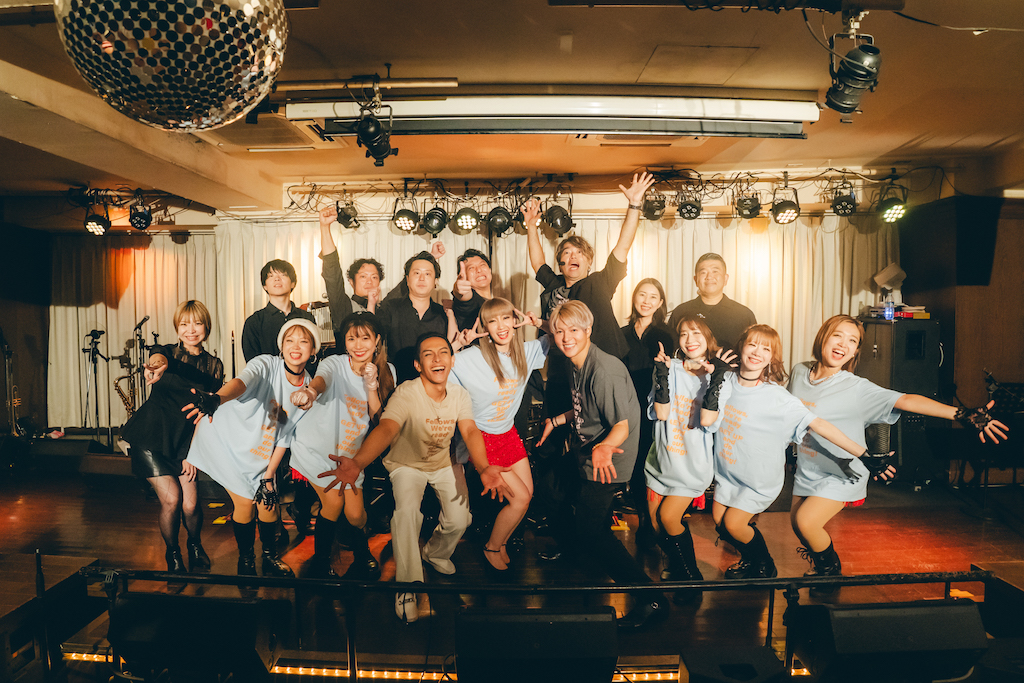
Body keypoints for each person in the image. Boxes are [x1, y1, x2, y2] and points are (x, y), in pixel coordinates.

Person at [787, 314, 1008, 587]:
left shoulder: (856, 388)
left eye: (852, 341)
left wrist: (962, 414)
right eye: (837, 335)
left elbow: (907, 400)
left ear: (855, 352)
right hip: (809, 466)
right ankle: (823, 564)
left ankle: (830, 571)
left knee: (807, 522)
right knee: (797, 525)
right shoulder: (799, 372)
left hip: (844, 471)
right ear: (823, 337)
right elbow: (788, 413)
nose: (843, 344)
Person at [318, 333, 512, 623]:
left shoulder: (459, 394)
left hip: (442, 463)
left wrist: (483, 468)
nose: (437, 359)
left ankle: (435, 553)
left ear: (452, 360)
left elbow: (470, 430)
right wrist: (358, 462)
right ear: (418, 365)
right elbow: (386, 428)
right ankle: (407, 586)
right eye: (428, 354)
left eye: (443, 352)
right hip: (406, 465)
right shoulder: (407, 393)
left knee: (460, 519)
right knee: (407, 514)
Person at [522, 172, 655, 551]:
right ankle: (569, 524)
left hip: (601, 374)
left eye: (577, 255)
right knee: (557, 447)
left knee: (612, 443)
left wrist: (634, 205)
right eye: (564, 255)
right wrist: (531, 226)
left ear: (589, 261)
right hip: (565, 376)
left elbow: (622, 247)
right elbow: (537, 263)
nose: (569, 259)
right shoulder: (554, 289)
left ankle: (625, 522)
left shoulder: (597, 283)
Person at [706, 324, 880, 580]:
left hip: (758, 479)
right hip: (728, 473)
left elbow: (818, 424)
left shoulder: (776, 396)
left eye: (766, 349)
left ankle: (765, 565)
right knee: (721, 522)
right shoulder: (725, 380)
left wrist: (863, 453)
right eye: (752, 344)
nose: (757, 352)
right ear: (740, 347)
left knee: (734, 523)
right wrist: (713, 368)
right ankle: (752, 560)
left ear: (772, 357)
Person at [535, 301, 668, 630]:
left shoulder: (604, 370)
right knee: (550, 488)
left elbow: (621, 425)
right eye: (560, 331)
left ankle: (651, 599)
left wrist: (605, 447)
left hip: (609, 459)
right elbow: (585, 406)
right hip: (589, 451)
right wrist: (557, 420)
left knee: (593, 532)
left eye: (574, 330)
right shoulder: (576, 362)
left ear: (588, 330)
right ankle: (580, 552)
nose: (566, 338)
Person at [183, 319, 320, 577]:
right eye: (289, 340)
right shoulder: (266, 364)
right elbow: (242, 382)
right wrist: (218, 398)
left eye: (304, 341)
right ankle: (245, 560)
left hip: (259, 449)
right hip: (228, 441)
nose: (296, 346)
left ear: (313, 351)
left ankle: (269, 558)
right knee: (245, 504)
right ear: (281, 346)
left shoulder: (308, 387)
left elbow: (285, 435)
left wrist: (269, 475)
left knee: (268, 503)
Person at [289, 312, 396, 578]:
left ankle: (361, 554)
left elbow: (379, 421)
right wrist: (310, 392)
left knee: (356, 514)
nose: (358, 345)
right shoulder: (334, 363)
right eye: (351, 339)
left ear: (377, 340)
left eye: (365, 338)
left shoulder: (388, 370)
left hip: (349, 454)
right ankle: (321, 563)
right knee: (334, 503)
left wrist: (371, 386)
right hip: (316, 447)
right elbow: (321, 380)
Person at [120, 300, 224, 572]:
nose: (191, 330)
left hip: (185, 441)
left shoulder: (214, 365)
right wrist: (156, 367)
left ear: (206, 327)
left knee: (191, 505)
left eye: (197, 323)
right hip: (151, 437)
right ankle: (173, 553)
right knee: (172, 499)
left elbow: (208, 413)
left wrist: (193, 453)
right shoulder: (166, 352)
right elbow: (158, 360)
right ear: (177, 328)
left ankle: (195, 545)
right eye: (184, 324)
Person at [449, 298, 548, 571]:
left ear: (515, 321)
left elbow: (561, 335)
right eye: (492, 321)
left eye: (506, 318)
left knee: (527, 495)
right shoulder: (471, 358)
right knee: (520, 499)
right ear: (485, 327)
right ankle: (491, 547)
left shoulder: (526, 352)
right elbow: (436, 363)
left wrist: (537, 322)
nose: (501, 326)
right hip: (481, 437)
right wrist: (457, 345)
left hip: (508, 432)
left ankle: (501, 543)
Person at [645, 315, 731, 602]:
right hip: (660, 460)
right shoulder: (669, 367)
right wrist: (661, 372)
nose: (690, 339)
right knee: (655, 523)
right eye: (683, 333)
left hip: (691, 466)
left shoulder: (720, 376)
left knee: (669, 517)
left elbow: (707, 421)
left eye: (696, 333)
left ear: (708, 338)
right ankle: (677, 565)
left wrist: (716, 377)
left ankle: (692, 579)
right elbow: (661, 413)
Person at [620, 278, 674, 546]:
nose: (646, 301)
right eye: (642, 294)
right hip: (626, 407)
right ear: (634, 298)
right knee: (634, 464)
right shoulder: (620, 333)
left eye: (653, 297)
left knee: (653, 464)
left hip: (655, 409)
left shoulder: (666, 334)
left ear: (660, 302)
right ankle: (643, 519)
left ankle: (655, 523)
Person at [375, 252, 456, 383]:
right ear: (407, 279)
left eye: (427, 274)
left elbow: (451, 348)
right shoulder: (390, 308)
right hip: (396, 385)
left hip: (435, 385)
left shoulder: (443, 313)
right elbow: (373, 336)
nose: (422, 278)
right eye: (417, 273)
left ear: (435, 281)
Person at [667, 253, 756, 352]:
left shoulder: (744, 315)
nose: (709, 277)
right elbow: (670, 349)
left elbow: (754, 350)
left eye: (715, 271)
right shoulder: (681, 312)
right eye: (703, 272)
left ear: (725, 279)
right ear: (695, 280)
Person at [318, 205, 387, 318]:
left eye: (374, 277)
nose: (369, 282)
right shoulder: (344, 306)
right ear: (351, 281)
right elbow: (332, 273)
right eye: (363, 276)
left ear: (379, 282)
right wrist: (325, 227)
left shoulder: (386, 310)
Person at [241, 259, 316, 361]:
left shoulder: (306, 317)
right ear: (265, 286)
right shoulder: (254, 322)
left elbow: (313, 353)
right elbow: (254, 363)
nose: (277, 279)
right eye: (271, 276)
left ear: (293, 283)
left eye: (283, 275)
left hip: (303, 371)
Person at [451, 249, 495, 331]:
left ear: (490, 269)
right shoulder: (469, 301)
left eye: (482, 265)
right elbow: (463, 297)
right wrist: (458, 290)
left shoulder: (498, 302)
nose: (479, 270)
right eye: (471, 268)